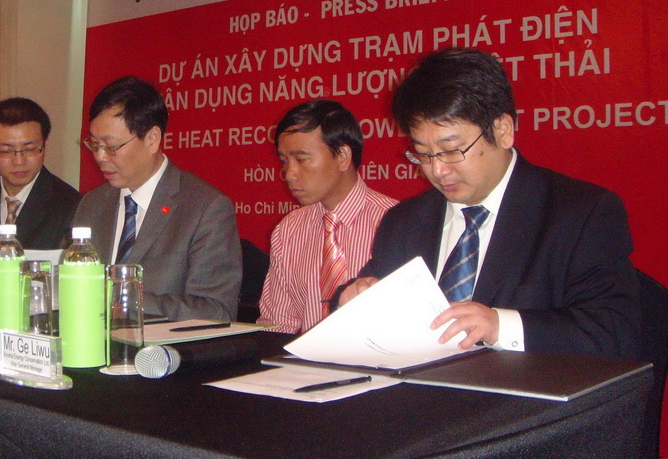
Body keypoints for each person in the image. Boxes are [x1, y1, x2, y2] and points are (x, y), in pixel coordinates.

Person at [336, 48, 641, 360]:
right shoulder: (404, 222)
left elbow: (614, 331)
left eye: (452, 150)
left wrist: (500, 326)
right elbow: (369, 295)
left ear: (503, 131)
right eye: (424, 154)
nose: (437, 170)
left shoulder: (580, 214)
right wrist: (352, 299)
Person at [74, 76, 241, 321]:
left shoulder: (204, 208)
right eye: (95, 144)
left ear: (152, 139)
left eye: (111, 147)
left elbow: (216, 310)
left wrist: (123, 300)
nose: (100, 157)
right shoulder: (92, 204)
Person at [258, 100, 397, 334]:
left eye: (301, 159)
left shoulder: (395, 222)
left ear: (342, 156)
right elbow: (277, 326)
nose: (289, 174)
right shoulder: (289, 230)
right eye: (285, 161)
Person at [0, 97, 80, 254]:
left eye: (30, 149)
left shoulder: (69, 205)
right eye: (6, 151)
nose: (19, 161)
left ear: (45, 147)